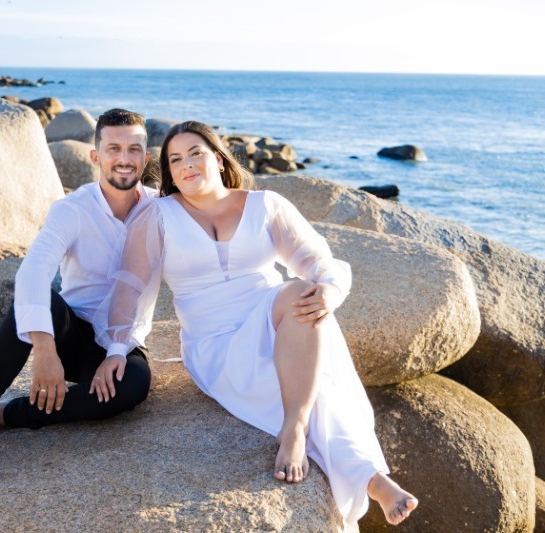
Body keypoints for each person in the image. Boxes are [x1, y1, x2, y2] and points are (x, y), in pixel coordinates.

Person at [95, 120, 418, 526]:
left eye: (195, 153)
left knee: (302, 294)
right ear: (170, 173)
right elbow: (131, 285)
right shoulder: (158, 215)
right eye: (175, 160)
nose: (186, 164)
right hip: (215, 345)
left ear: (217, 157)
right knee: (317, 386)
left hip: (273, 320)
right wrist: (117, 348)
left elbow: (318, 261)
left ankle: (295, 430)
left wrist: (331, 291)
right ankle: (373, 480)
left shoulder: (266, 205)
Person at [0, 108, 157, 469]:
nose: (124, 159)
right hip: (71, 333)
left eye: (134, 149)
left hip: (122, 344)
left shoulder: (160, 209)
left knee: (133, 387)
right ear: (95, 157)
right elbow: (33, 272)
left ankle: (4, 415)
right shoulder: (72, 209)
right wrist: (44, 349)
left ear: (145, 158)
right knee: (35, 299)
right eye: (114, 149)